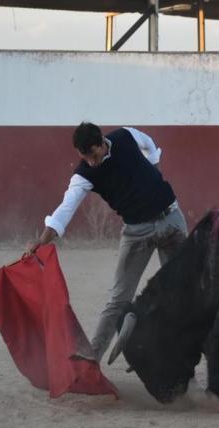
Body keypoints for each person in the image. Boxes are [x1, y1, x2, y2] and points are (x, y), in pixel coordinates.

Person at [26, 122, 188, 362]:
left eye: (93, 155)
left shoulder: (125, 135)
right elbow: (65, 209)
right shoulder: (84, 175)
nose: (91, 162)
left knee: (182, 291)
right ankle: (92, 358)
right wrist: (42, 240)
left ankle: (176, 356)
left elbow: (148, 142)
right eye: (85, 157)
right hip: (137, 233)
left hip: (172, 221)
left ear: (102, 143)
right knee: (119, 299)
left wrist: (154, 165)